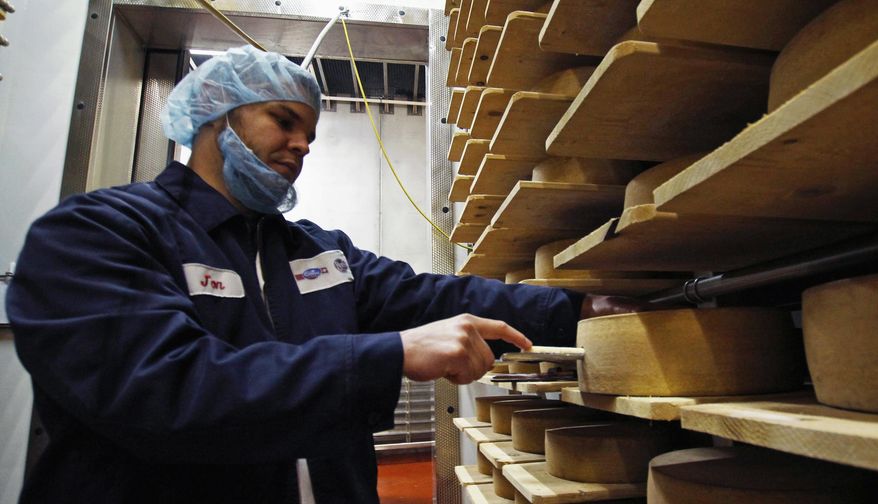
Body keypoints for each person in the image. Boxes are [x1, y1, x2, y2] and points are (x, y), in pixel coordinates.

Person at [7, 45, 643, 503]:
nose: (303, 145)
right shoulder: (96, 233)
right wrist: (387, 354)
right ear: (216, 119)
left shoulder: (312, 252)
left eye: (310, 131)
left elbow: (428, 294)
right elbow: (167, 391)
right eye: (283, 122)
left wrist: (577, 309)